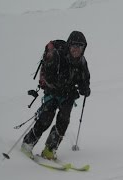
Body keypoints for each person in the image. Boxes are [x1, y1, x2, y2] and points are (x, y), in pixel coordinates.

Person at [21, 31, 91, 160]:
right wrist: (60, 86)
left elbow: (85, 79)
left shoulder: (82, 62)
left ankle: (49, 150)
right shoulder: (57, 56)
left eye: (80, 47)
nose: (76, 49)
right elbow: (48, 77)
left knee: (63, 121)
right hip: (52, 92)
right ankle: (27, 144)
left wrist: (85, 88)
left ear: (83, 48)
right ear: (69, 45)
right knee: (46, 118)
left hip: (68, 94)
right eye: (74, 46)